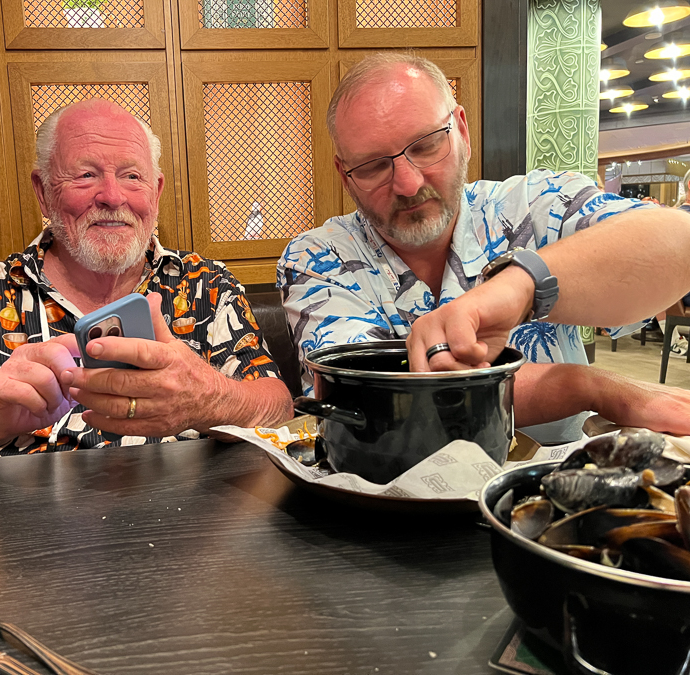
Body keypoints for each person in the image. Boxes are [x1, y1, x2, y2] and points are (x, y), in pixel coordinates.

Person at [278, 53, 690, 442]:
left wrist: (523, 285)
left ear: (461, 130)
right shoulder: (318, 258)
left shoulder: (534, 205)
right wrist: (585, 385)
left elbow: (678, 241)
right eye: (372, 166)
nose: (407, 183)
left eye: (425, 146)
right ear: (345, 176)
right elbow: (372, 400)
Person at [0, 99, 293, 467]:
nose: (111, 195)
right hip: (30, 540)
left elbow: (278, 406)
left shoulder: (206, 285)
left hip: (184, 533)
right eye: (85, 175)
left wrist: (209, 397)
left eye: (132, 176)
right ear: (43, 191)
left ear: (156, 192)